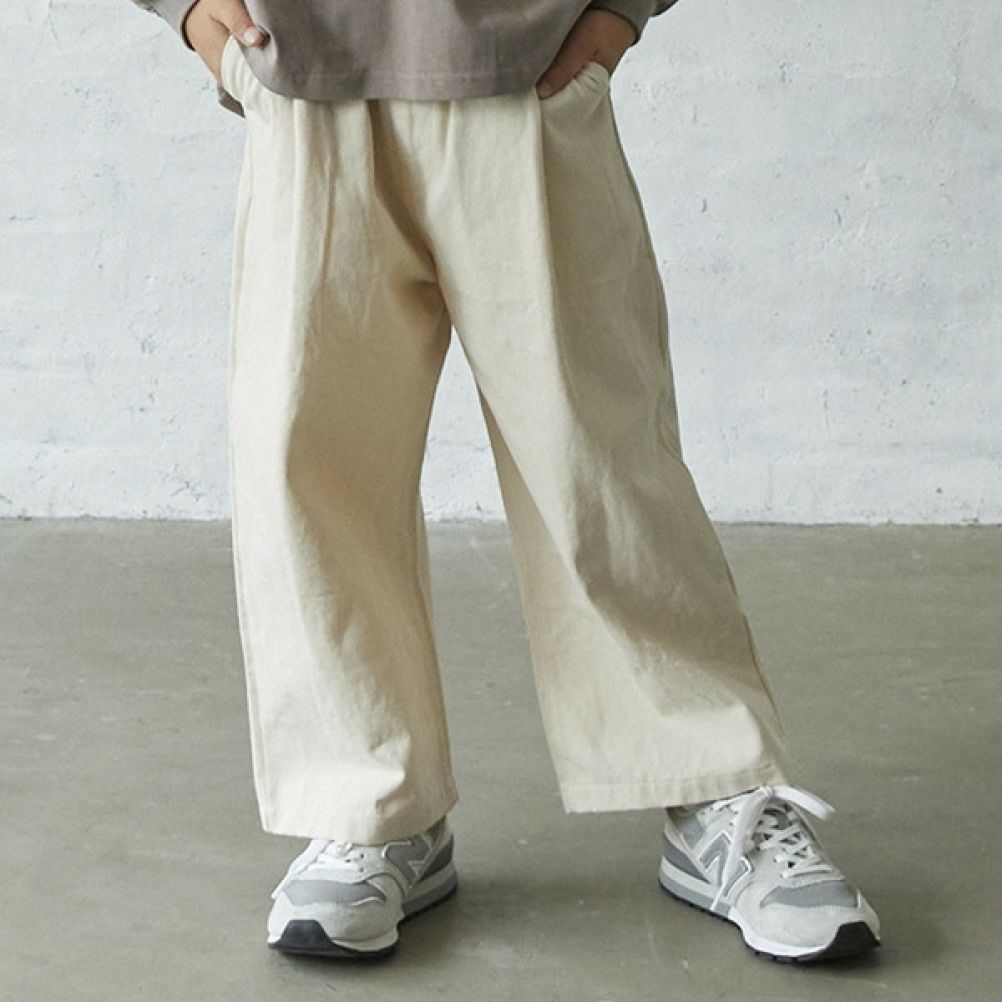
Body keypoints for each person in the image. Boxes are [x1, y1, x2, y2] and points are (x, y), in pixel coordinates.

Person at [131, 0, 881, 965]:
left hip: (528, 64)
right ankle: (372, 808)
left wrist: (620, 11)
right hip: (299, 67)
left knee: (599, 461)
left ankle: (713, 786)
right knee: (312, 467)